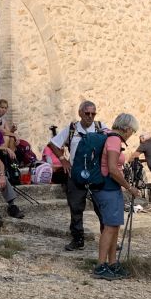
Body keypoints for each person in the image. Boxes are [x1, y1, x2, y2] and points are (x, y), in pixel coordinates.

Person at [48, 101, 109, 251]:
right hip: (76, 173)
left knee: (102, 207)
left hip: (96, 174)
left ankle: (108, 239)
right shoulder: (71, 129)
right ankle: (77, 239)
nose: (90, 116)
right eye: (87, 113)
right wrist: (63, 160)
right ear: (80, 113)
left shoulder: (101, 128)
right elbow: (53, 144)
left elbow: (113, 143)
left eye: (93, 113)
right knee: (75, 207)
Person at [90, 114, 141, 281]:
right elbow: (112, 168)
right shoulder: (114, 140)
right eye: (132, 131)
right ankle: (100, 266)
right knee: (110, 227)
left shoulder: (111, 138)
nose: (131, 134)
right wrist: (129, 187)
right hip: (107, 188)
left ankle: (112, 264)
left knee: (114, 226)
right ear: (126, 128)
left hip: (110, 188)